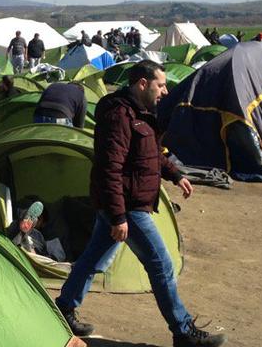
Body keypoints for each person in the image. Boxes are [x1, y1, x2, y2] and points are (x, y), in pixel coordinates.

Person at [55, 60, 227, 347]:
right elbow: (111, 167)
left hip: (124, 203)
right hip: (128, 205)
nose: (165, 90)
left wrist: (175, 174)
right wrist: (118, 215)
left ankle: (64, 308)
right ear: (142, 84)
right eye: (160, 84)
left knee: (93, 259)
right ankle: (183, 331)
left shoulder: (140, 113)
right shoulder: (118, 115)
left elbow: (150, 153)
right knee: (161, 265)